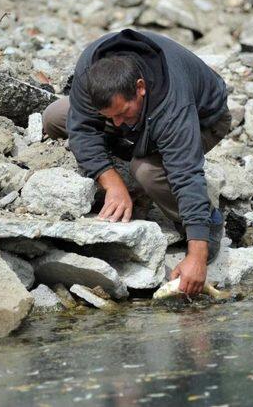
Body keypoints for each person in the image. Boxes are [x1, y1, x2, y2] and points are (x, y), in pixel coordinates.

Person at [42, 29, 231, 296]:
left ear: (140, 88)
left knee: (146, 171)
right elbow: (83, 129)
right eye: (110, 116)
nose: (116, 122)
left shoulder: (172, 103)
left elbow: (186, 174)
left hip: (203, 120)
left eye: (123, 113)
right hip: (142, 119)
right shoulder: (90, 70)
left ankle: (209, 223)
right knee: (54, 117)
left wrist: (197, 256)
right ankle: (131, 155)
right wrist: (112, 183)